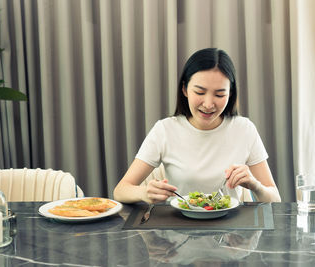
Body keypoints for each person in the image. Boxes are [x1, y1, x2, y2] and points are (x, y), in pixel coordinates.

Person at [113, 48, 281, 204]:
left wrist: (254, 185)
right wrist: (144, 193)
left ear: (230, 93)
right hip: (179, 230)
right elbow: (120, 191)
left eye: (220, 94)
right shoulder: (165, 130)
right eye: (200, 92)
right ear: (185, 89)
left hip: (231, 233)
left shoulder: (244, 129)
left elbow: (275, 199)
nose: (208, 104)